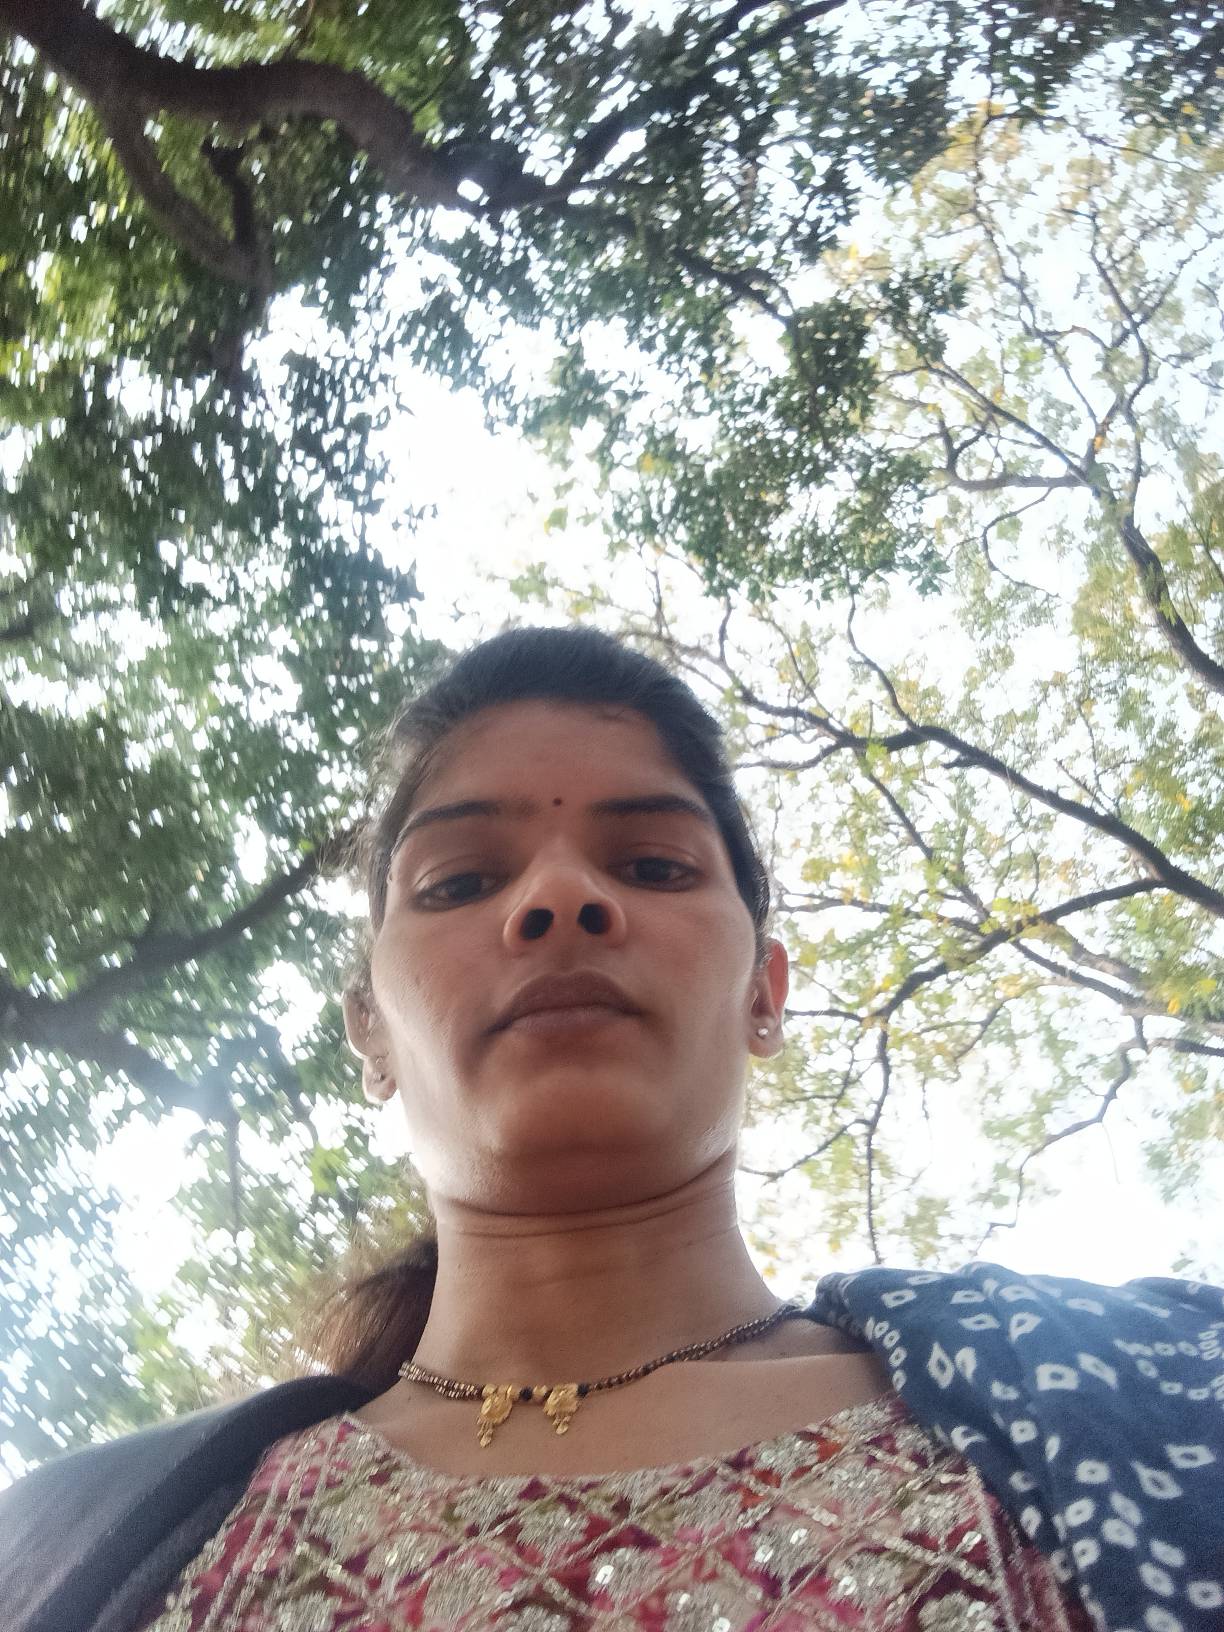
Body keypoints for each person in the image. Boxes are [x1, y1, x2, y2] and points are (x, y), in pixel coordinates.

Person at [2, 624, 1221, 1632]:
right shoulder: (65, 1543)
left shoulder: (1167, 1394)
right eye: (460, 882)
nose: (559, 898)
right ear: (368, 1028)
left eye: (652, 865)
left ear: (765, 992)